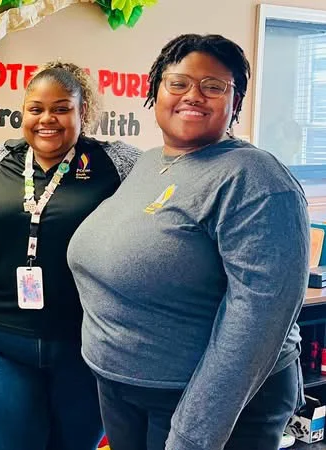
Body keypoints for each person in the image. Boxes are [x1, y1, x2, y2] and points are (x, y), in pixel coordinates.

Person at [68, 34, 307, 450]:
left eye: (214, 86)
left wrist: (193, 435)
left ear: (236, 102)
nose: (193, 95)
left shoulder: (254, 178)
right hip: (127, 389)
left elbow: (256, 324)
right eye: (177, 83)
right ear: (155, 92)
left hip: (198, 404)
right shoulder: (148, 162)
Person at [0, 61, 140, 450]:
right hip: (2, 343)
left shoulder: (118, 164)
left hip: (84, 346)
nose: (48, 119)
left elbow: (164, 207)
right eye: (36, 108)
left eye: (62, 108)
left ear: (84, 113)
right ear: (23, 112)